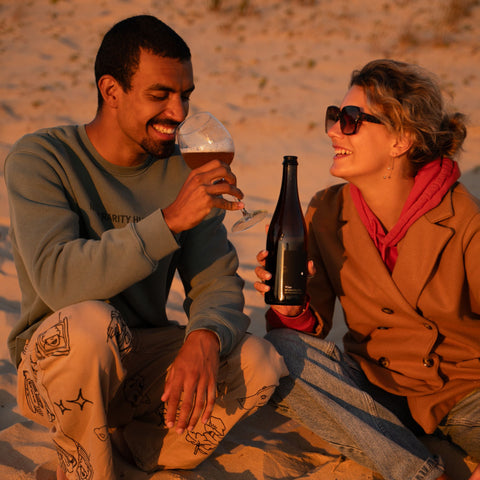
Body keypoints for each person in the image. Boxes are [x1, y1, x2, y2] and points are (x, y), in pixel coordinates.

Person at [4, 15, 287, 480]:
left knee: (259, 361)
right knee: (92, 323)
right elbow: (59, 282)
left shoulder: (182, 169)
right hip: (57, 366)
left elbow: (216, 281)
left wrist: (206, 337)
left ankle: (140, 444)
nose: (178, 113)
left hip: (141, 359)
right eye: (161, 95)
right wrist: (171, 219)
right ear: (111, 91)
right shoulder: (42, 157)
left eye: (186, 95)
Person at [254, 59, 480, 480]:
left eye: (352, 120)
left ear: (402, 139)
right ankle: (420, 473)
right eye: (335, 117)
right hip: (378, 389)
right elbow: (310, 330)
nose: (333, 131)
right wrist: (290, 311)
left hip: (463, 392)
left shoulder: (463, 217)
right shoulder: (326, 210)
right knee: (282, 352)